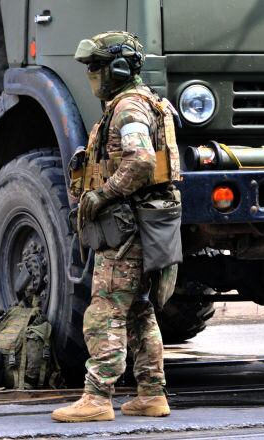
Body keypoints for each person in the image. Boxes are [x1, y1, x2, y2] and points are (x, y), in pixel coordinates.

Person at [52, 31, 182, 423]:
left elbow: (141, 160)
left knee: (105, 310)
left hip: (127, 227)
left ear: (120, 69)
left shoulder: (129, 108)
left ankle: (97, 397)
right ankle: (151, 393)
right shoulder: (142, 103)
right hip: (144, 224)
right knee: (139, 310)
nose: (93, 75)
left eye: (97, 68)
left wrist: (103, 194)